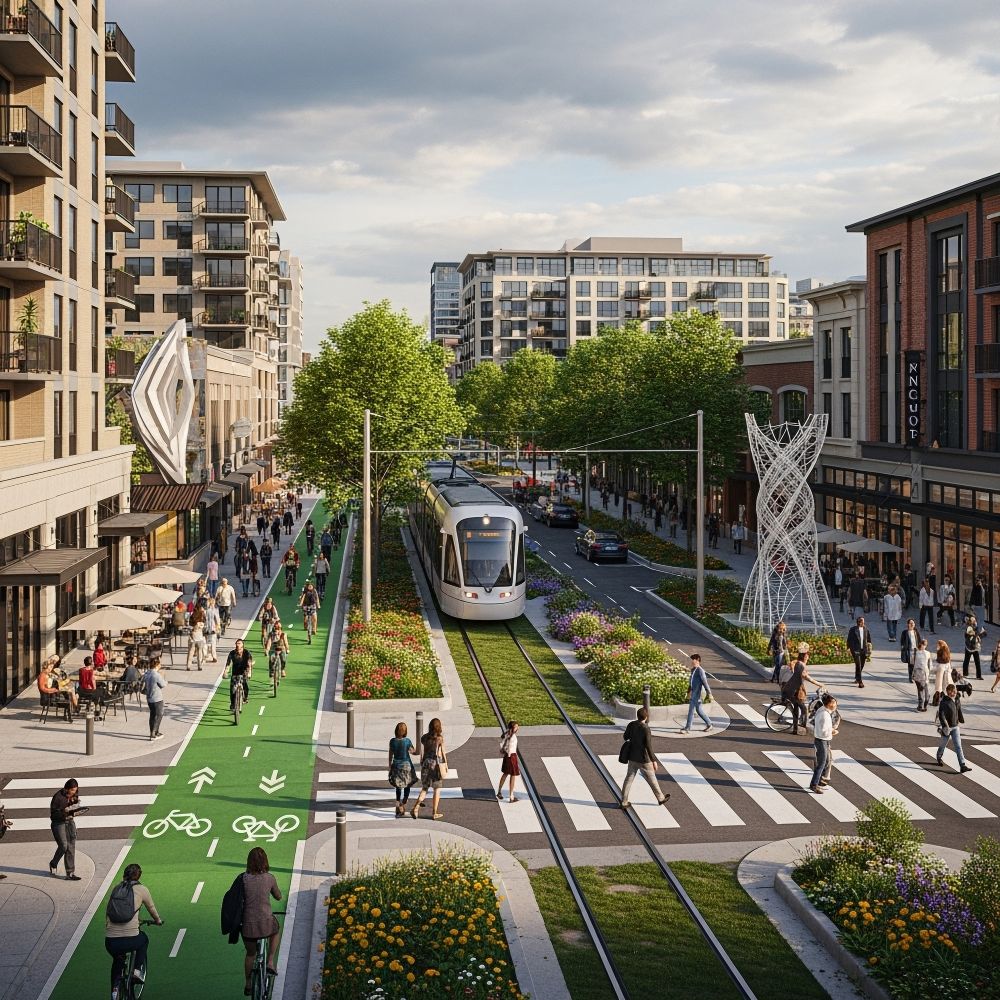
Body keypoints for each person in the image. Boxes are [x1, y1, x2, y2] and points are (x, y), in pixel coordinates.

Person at [105, 862, 162, 992]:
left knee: (117, 960)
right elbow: (151, 909)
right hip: (130, 939)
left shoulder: (116, 888)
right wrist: (157, 921)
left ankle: (115, 989)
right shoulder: (142, 889)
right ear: (139, 876)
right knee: (144, 940)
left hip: (110, 941)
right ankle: (136, 971)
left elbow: (109, 911)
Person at [240, 847, 282, 992]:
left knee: (250, 954)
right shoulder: (270, 878)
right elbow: (278, 896)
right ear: (265, 862)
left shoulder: (243, 879)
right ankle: (270, 961)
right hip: (266, 924)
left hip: (248, 927)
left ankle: (248, 984)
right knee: (276, 931)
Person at [619, 707, 671, 809]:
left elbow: (625, 737)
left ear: (637, 716)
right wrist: (654, 760)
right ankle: (660, 798)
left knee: (628, 778)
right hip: (644, 759)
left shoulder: (631, 724)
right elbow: (648, 746)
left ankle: (624, 801)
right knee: (651, 778)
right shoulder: (646, 728)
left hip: (632, 756)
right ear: (646, 717)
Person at [410, 717, 448, 820]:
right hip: (436, 765)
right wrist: (446, 765)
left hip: (426, 764)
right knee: (437, 789)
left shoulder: (424, 738)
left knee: (425, 788)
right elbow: (442, 753)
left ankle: (415, 807)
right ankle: (434, 812)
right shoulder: (439, 738)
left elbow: (421, 752)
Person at [781, 650, 822, 735]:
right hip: (794, 690)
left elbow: (794, 665)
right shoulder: (801, 665)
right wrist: (820, 684)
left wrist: (795, 671)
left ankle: (795, 729)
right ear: (804, 657)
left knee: (796, 708)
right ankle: (803, 727)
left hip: (791, 689)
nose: (808, 657)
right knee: (804, 709)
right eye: (806, 656)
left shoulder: (798, 663)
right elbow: (807, 678)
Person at [49, 778, 82, 881]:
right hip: (58, 822)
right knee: (63, 846)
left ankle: (70, 873)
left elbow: (76, 806)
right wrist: (65, 812)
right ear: (67, 788)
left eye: (75, 790)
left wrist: (75, 810)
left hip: (69, 821)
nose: (74, 792)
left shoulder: (74, 795)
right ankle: (53, 863)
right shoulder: (58, 797)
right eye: (72, 790)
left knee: (71, 845)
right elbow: (54, 815)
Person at [935, 684, 972, 773]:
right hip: (947, 728)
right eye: (953, 691)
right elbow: (941, 715)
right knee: (943, 745)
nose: (955, 692)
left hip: (955, 727)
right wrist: (946, 726)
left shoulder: (957, 699)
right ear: (948, 692)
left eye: (955, 690)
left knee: (958, 746)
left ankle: (962, 765)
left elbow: (958, 709)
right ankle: (939, 756)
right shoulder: (944, 702)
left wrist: (960, 719)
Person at [809, 693, 838, 794]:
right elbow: (824, 731)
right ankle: (814, 784)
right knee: (821, 764)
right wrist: (833, 731)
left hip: (822, 740)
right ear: (829, 704)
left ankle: (820, 781)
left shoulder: (822, 710)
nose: (835, 705)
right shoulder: (825, 715)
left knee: (826, 761)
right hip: (822, 740)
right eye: (834, 703)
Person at [388, 721, 418, 817]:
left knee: (398, 786)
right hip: (406, 766)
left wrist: (390, 766)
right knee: (408, 785)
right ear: (405, 731)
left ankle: (398, 804)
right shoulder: (407, 741)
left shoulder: (392, 741)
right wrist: (418, 749)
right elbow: (413, 752)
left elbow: (390, 754)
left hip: (396, 766)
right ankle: (404, 802)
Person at [680, 653, 713, 733]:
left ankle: (687, 728)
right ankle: (709, 724)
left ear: (698, 660)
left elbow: (705, 682)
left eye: (693, 660)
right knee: (699, 710)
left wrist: (709, 693)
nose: (692, 661)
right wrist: (688, 692)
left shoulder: (700, 671)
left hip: (699, 694)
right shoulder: (693, 670)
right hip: (694, 693)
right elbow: (691, 683)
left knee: (691, 710)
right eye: (692, 660)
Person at [223, 639, 253, 711]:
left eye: (239, 643)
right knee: (232, 688)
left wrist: (249, 673)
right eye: (237, 643)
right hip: (235, 672)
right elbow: (228, 663)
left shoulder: (247, 653)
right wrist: (225, 672)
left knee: (245, 685)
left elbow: (249, 663)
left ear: (242, 645)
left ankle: (245, 698)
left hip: (244, 671)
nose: (237, 645)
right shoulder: (232, 653)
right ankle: (233, 703)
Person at [495, 720, 521, 803]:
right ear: (512, 728)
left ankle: (499, 791)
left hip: (507, 756)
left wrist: (506, 753)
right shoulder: (512, 736)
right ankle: (511, 796)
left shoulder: (507, 734)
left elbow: (503, 744)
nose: (518, 728)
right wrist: (510, 756)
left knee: (505, 774)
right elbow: (509, 747)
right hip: (511, 756)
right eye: (516, 727)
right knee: (513, 776)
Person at [143, 658, 166, 740]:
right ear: (157, 665)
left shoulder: (147, 673)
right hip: (157, 698)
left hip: (149, 698)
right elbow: (163, 684)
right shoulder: (156, 675)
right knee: (159, 715)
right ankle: (154, 733)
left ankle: (153, 732)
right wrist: (165, 679)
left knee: (152, 715)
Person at [846, 616, 872, 688]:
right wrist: (849, 648)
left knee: (862, 664)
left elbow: (869, 640)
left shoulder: (866, 629)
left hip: (864, 650)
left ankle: (857, 677)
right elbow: (849, 639)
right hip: (856, 650)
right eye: (862, 621)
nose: (864, 623)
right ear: (859, 622)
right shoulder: (853, 630)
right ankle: (860, 682)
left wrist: (869, 649)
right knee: (858, 664)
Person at [911, 638, 932, 712]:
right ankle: (926, 700)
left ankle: (920, 705)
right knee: (925, 686)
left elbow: (912, 662)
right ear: (925, 645)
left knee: (920, 688)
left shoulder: (915, 653)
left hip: (917, 672)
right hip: (925, 672)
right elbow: (930, 665)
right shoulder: (928, 653)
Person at [962, 614, 984, 680]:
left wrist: (979, 636)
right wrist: (975, 634)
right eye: (972, 619)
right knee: (966, 661)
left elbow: (984, 634)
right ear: (970, 621)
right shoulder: (968, 627)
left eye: (974, 619)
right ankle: (965, 674)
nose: (974, 620)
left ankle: (979, 676)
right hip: (968, 647)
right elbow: (967, 635)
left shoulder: (978, 627)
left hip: (975, 647)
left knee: (977, 661)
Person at [932, 639, 952, 706]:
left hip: (941, 667)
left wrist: (937, 662)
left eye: (938, 645)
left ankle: (937, 701)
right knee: (945, 683)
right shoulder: (946, 649)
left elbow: (942, 660)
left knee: (939, 685)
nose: (937, 646)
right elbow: (948, 660)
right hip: (946, 667)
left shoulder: (941, 651)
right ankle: (946, 698)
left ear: (940, 645)